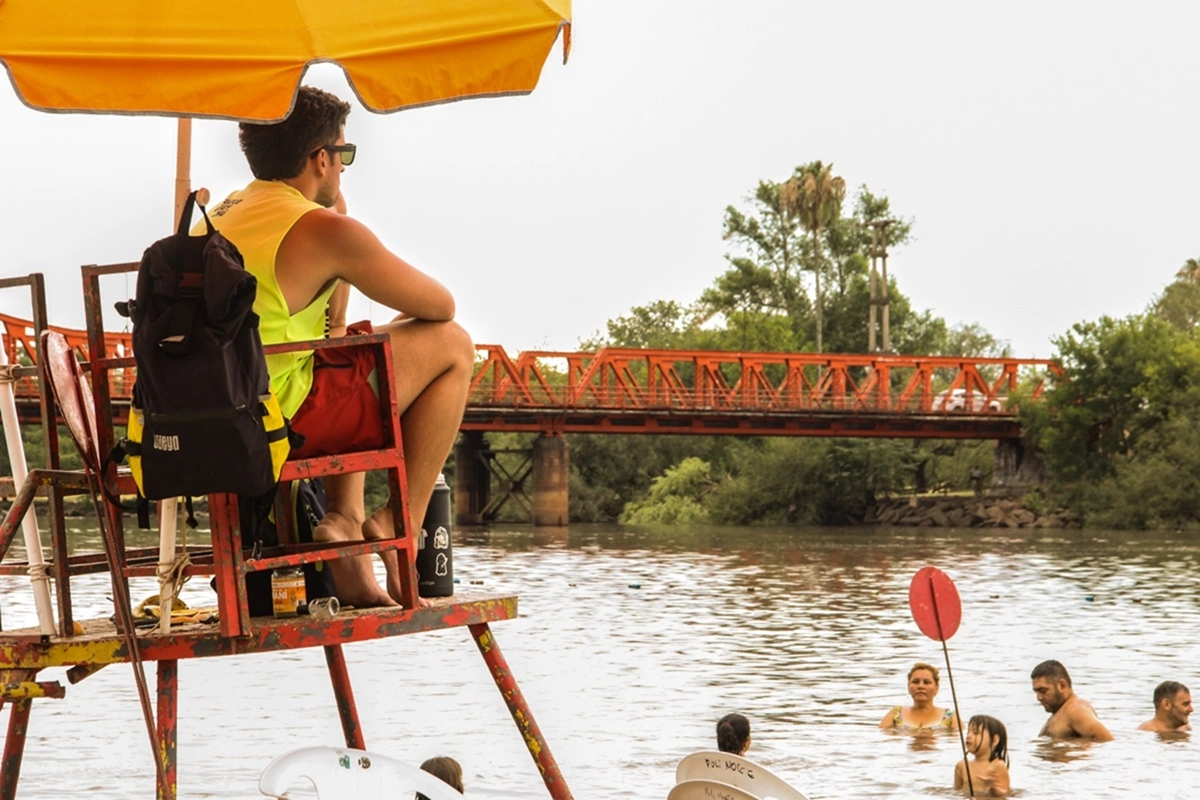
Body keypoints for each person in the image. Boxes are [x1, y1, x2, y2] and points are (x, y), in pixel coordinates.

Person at [207, 85, 475, 608]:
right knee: (453, 346)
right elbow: (440, 306)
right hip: (276, 420)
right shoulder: (322, 230)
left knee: (351, 350)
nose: (344, 167)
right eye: (344, 154)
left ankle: (344, 522)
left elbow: (333, 329)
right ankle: (401, 520)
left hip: (211, 418)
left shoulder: (219, 213)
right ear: (321, 159)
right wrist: (344, 228)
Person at [1029, 659, 1113, 741]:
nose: (1039, 698)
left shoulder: (1076, 710)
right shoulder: (1063, 711)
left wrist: (1076, 748)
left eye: (1043, 691)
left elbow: (1106, 739)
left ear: (1062, 685)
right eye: (1036, 692)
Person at [880, 662, 959, 730]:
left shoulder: (950, 717)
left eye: (926, 682)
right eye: (915, 682)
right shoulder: (895, 714)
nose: (920, 686)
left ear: (936, 688)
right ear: (908, 687)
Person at [953, 714, 1010, 797]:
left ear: (994, 740)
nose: (968, 736)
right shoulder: (961, 766)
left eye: (975, 732)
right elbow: (956, 793)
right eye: (968, 732)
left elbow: (1005, 794)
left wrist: (993, 788)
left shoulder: (997, 766)